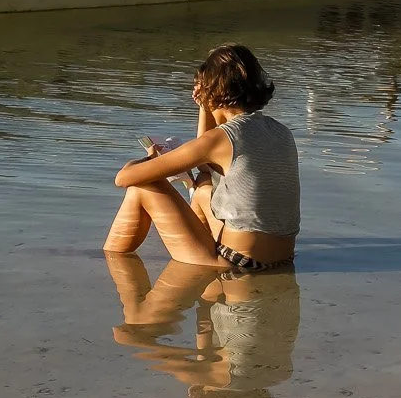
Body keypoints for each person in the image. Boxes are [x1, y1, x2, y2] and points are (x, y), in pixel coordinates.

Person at [105, 43, 299, 271]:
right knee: (204, 189)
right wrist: (205, 107)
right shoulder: (280, 131)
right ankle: (201, 283)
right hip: (282, 258)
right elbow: (207, 169)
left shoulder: (220, 139)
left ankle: (111, 266)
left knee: (141, 187)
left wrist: (149, 159)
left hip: (237, 262)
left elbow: (123, 178)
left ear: (213, 91)